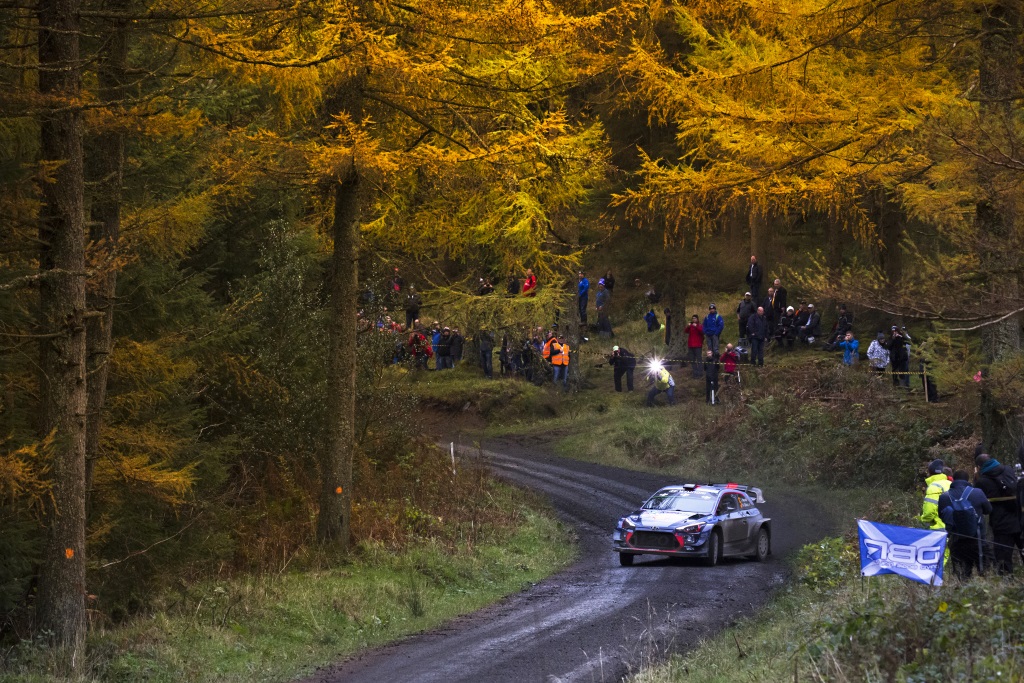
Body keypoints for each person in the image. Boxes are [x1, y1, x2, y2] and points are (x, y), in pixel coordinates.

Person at [939, 470, 992, 579]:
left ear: (953, 480)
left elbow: (942, 516)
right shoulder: (978, 492)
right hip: (978, 541)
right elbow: (988, 510)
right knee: (985, 575)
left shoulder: (944, 497)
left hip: (956, 541)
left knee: (961, 576)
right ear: (968, 480)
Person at [974, 451, 1021, 575]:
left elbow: (981, 504)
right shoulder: (1009, 470)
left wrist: (976, 478)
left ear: (979, 467)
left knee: (1003, 560)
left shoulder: (981, 481)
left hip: (1001, 525)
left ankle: (1007, 587)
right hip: (1020, 520)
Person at [920, 458, 952, 531]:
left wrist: (922, 519)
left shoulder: (933, 487)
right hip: (953, 527)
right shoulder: (950, 483)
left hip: (938, 529)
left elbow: (929, 512)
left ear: (929, 472)